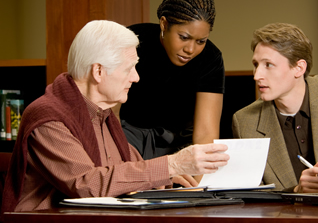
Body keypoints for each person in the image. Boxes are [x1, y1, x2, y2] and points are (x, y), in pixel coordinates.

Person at [0, 20, 229, 214]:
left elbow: (131, 169)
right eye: (129, 68)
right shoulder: (49, 118)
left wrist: (169, 178)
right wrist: (172, 164)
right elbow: (88, 184)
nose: (136, 78)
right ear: (98, 71)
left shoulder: (103, 115)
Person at [232, 22, 318, 193]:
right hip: (289, 218)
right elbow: (252, 193)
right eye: (256, 65)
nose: (256, 75)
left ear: (299, 68)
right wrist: (296, 191)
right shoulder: (245, 121)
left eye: (268, 65)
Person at [115, 0, 225, 160]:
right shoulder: (131, 41)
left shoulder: (210, 58)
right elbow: (110, 115)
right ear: (164, 24)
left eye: (201, 41)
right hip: (126, 138)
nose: (190, 49)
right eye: (183, 37)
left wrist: (197, 184)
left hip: (179, 144)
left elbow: (205, 133)